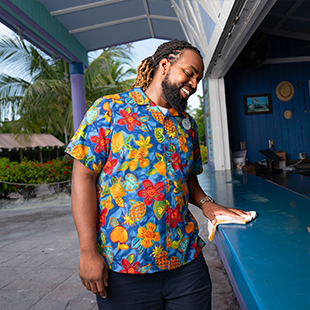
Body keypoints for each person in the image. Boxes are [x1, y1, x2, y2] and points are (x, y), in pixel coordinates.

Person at [66, 39, 248, 310]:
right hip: (124, 266)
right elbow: (83, 178)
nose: (194, 84)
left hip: (185, 263)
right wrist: (87, 252)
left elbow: (186, 177)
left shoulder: (186, 124)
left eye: (198, 78)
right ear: (164, 65)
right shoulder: (109, 110)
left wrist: (207, 204)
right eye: (189, 73)